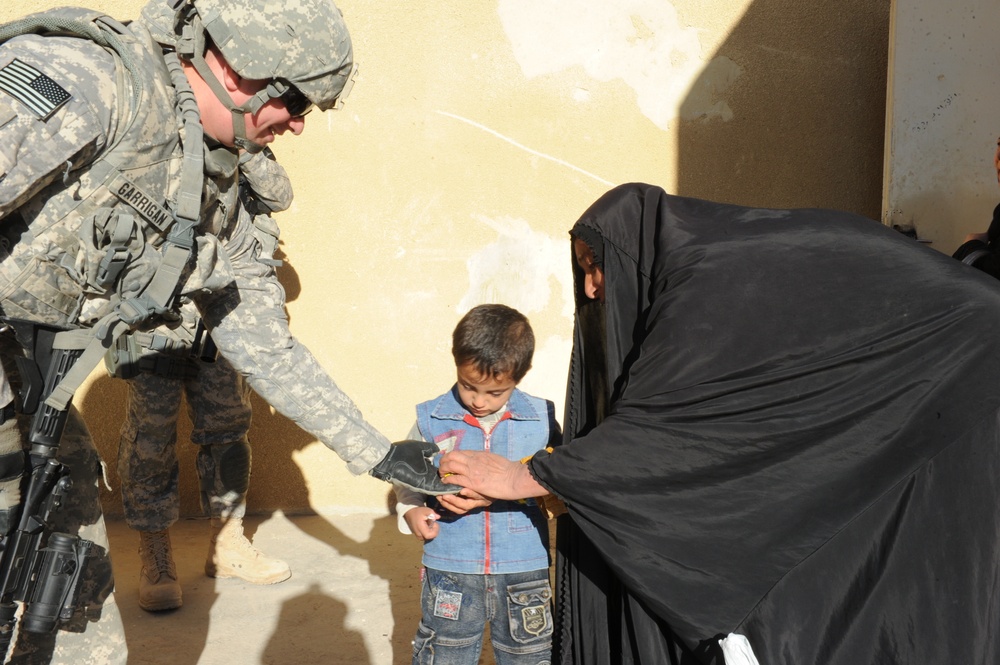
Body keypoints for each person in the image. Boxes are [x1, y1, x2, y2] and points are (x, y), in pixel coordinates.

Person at [0, 0, 447, 660]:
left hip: (31, 397)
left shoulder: (210, 179)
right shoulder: (90, 80)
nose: (296, 125)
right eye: (294, 104)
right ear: (241, 71)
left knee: (69, 590)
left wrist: (376, 451)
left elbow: (262, 339)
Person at [440, 182, 1000, 664]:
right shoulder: (703, 261)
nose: (589, 287)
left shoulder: (697, 283)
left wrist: (519, 479)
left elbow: (660, 437)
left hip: (964, 362)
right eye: (583, 268)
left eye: (595, 266)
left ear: (634, 250)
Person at [108, 149, 293, 613]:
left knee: (229, 429)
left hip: (220, 309)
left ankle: (227, 545)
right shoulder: (146, 129)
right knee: (151, 437)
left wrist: (244, 147)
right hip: (155, 311)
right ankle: (156, 556)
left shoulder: (236, 138)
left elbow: (280, 194)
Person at [394, 304, 561, 665]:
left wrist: (515, 489)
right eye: (469, 386)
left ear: (519, 375)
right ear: (456, 362)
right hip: (451, 566)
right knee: (444, 652)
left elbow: (560, 486)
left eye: (496, 393)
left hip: (523, 567)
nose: (479, 401)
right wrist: (410, 508)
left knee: (528, 655)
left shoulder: (542, 421)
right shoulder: (431, 417)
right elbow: (405, 474)